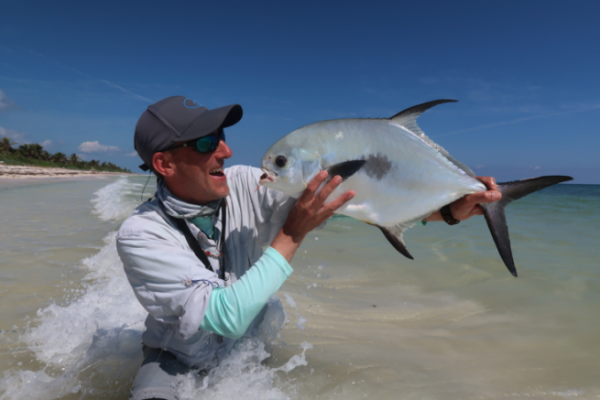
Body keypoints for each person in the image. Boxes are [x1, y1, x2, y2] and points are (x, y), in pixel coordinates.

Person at [117, 96, 501, 400]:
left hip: (247, 353)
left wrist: (450, 211)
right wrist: (292, 234)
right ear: (164, 163)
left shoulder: (248, 183)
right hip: (176, 363)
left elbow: (347, 205)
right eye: (205, 143)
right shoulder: (141, 234)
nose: (225, 151)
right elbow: (225, 317)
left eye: (222, 137)